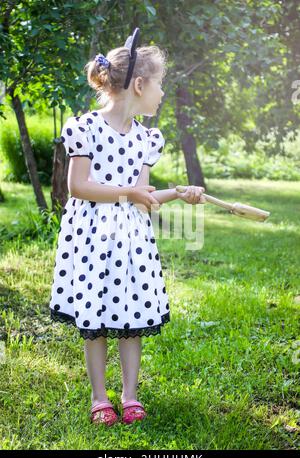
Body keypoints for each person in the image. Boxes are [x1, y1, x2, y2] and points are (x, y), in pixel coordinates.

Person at [49, 28, 205, 426]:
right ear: (139, 84)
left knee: (131, 316)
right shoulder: (85, 128)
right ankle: (100, 397)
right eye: (160, 85)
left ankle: (130, 395)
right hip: (91, 237)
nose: (162, 94)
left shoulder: (146, 139)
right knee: (96, 318)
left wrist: (176, 191)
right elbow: (78, 187)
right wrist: (128, 194)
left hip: (131, 240)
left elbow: (142, 194)